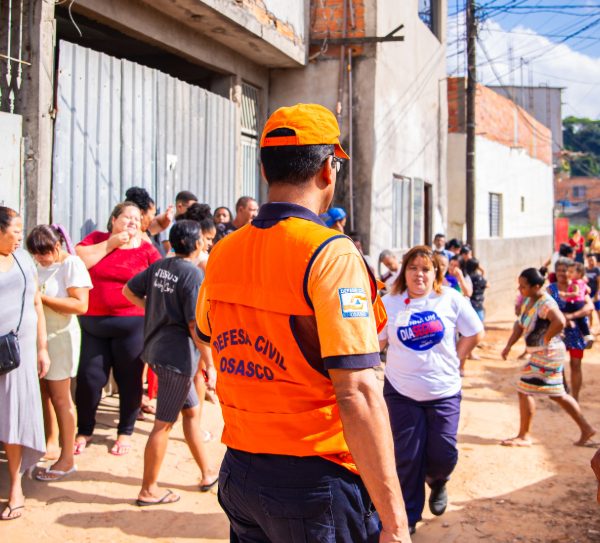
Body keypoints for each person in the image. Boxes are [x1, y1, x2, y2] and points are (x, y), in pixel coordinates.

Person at [195, 103, 410, 542]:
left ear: (263, 169)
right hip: (313, 481)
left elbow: (205, 332)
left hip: (241, 471)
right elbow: (358, 391)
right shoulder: (331, 254)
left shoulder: (223, 252)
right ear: (329, 169)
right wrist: (395, 523)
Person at [378, 246, 484, 535]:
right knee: (407, 457)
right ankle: (409, 519)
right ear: (404, 272)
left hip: (443, 391)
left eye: (425, 269)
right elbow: (378, 342)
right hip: (401, 392)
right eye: (413, 268)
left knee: (443, 453)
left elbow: (475, 332)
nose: (419, 275)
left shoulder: (449, 298)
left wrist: (457, 359)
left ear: (435, 272)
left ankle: (438, 481)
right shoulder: (390, 302)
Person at [123, 220, 219, 506]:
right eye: (204, 240)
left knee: (191, 413)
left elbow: (128, 291)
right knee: (163, 425)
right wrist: (210, 364)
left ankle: (207, 472)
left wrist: (156, 311)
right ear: (197, 243)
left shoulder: (160, 267)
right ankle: (148, 490)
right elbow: (194, 325)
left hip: (158, 353)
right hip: (176, 361)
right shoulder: (192, 274)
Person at [74, 201, 161, 456]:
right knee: (89, 379)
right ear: (113, 220)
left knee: (129, 379)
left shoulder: (146, 249)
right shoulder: (96, 239)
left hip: (132, 326)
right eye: (127, 217)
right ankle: (84, 429)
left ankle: (125, 431)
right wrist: (111, 244)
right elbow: (79, 261)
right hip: (93, 324)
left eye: (137, 219)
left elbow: (160, 279)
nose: (133, 222)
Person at [26, 225, 92, 482]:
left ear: (56, 246)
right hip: (39, 337)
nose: (40, 258)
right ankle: (51, 443)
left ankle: (67, 458)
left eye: (44, 253)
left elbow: (81, 305)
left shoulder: (71, 264)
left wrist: (41, 300)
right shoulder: (37, 265)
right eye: (35, 254)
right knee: (44, 393)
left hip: (61, 338)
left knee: (61, 397)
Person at [500, 268, 595, 447]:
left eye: (523, 286)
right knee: (558, 394)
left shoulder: (545, 302)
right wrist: (509, 345)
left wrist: (546, 338)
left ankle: (524, 435)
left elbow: (560, 321)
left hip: (548, 354)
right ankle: (586, 428)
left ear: (536, 287)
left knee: (524, 389)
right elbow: (519, 325)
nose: (520, 289)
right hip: (544, 353)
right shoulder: (530, 301)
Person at [0, 207, 50, 520]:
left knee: (13, 418)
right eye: (15, 231)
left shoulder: (23, 260)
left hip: (18, 354)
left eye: (21, 230)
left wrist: (42, 348)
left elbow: (36, 304)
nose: (21, 236)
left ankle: (16, 487)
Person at [548, 258, 594, 401]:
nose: (562, 273)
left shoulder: (578, 286)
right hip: (558, 331)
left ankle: (575, 398)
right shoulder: (551, 289)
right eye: (559, 270)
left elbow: (589, 307)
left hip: (576, 332)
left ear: (571, 272)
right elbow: (547, 309)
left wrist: (571, 316)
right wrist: (563, 319)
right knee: (558, 364)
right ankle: (563, 389)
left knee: (576, 364)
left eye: (565, 270)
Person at [558, 261, 594, 348]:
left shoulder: (574, 283)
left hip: (573, 303)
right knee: (581, 321)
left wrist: (565, 294)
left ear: (579, 274)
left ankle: (561, 333)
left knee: (560, 314)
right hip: (580, 304)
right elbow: (588, 290)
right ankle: (587, 336)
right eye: (568, 271)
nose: (568, 273)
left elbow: (576, 293)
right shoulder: (582, 282)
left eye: (571, 272)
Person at [585, 254, 600, 328]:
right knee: (589, 310)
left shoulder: (597, 270)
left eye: (593, 260)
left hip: (595, 292)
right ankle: (590, 327)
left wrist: (597, 294)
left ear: (595, 261)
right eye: (589, 260)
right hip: (587, 294)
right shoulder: (585, 270)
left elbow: (599, 282)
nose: (591, 262)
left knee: (598, 310)